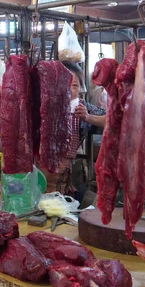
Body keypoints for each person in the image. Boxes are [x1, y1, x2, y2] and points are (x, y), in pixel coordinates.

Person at [40, 61, 105, 195]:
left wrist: (88, 117)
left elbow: (112, 119)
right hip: (38, 171)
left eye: (74, 85)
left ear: (81, 88)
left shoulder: (82, 107)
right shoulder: (43, 103)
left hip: (65, 174)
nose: (69, 88)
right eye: (65, 83)